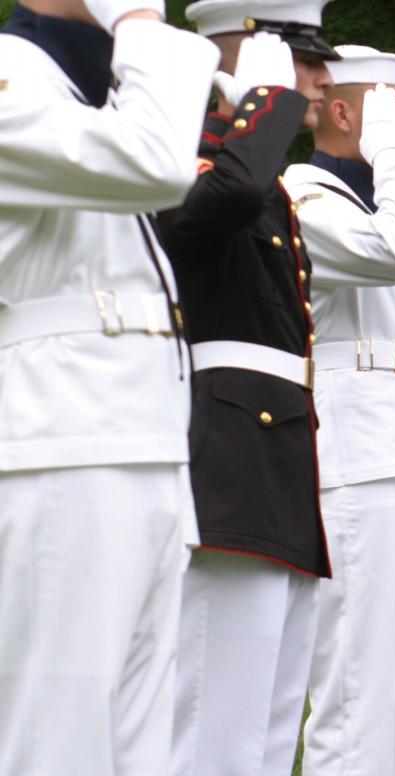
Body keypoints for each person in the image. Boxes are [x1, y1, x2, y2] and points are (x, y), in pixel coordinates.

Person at [0, 1, 216, 771]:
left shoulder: (81, 87)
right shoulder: (12, 76)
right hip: (60, 435)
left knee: (136, 735)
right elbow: (155, 166)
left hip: (137, 430)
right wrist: (139, 25)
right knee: (57, 731)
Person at [158, 4, 337, 773]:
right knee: (213, 709)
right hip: (224, 452)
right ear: (249, 58)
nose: (321, 81)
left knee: (265, 710)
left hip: (274, 455)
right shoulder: (182, 149)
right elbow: (218, 203)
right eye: (301, 60)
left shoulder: (256, 173)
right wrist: (259, 103)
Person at [280, 45, 395, 775]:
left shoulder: (365, 196)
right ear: (344, 112)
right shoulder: (304, 195)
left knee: (392, 671)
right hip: (349, 457)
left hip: (392, 451)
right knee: (355, 677)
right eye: (386, 105)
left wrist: (389, 161)